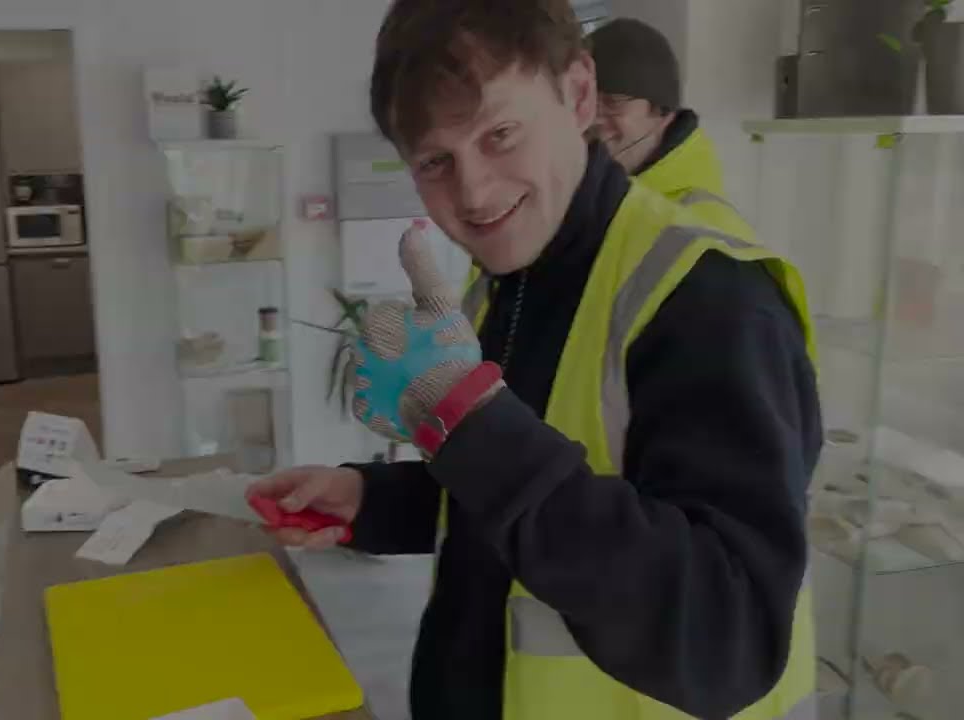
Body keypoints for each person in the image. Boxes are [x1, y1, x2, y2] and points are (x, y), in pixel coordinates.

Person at [247, 1, 821, 719]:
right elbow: (523, 495)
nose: (474, 192)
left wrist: (466, 416)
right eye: (434, 161)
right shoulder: (509, 280)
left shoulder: (711, 299)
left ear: (579, 94)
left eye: (502, 133)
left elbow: (728, 636)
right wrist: (374, 501)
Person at [587, 18, 724, 208]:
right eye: (585, 99)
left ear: (661, 111)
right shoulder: (604, 191)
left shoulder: (700, 223)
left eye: (612, 103)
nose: (591, 117)